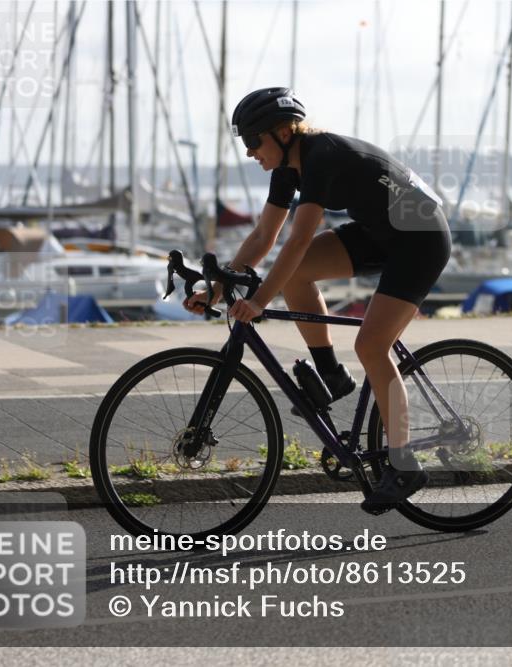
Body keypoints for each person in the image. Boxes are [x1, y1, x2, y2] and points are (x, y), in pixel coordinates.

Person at [184, 87, 451, 514]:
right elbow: (262, 237)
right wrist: (215, 289)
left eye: (254, 141)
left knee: (370, 345)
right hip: (380, 232)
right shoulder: (287, 168)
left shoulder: (321, 155)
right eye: (245, 144)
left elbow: (298, 237)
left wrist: (259, 301)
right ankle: (332, 374)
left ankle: (404, 464)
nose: (250, 152)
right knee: (301, 269)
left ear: (285, 131)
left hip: (420, 240)